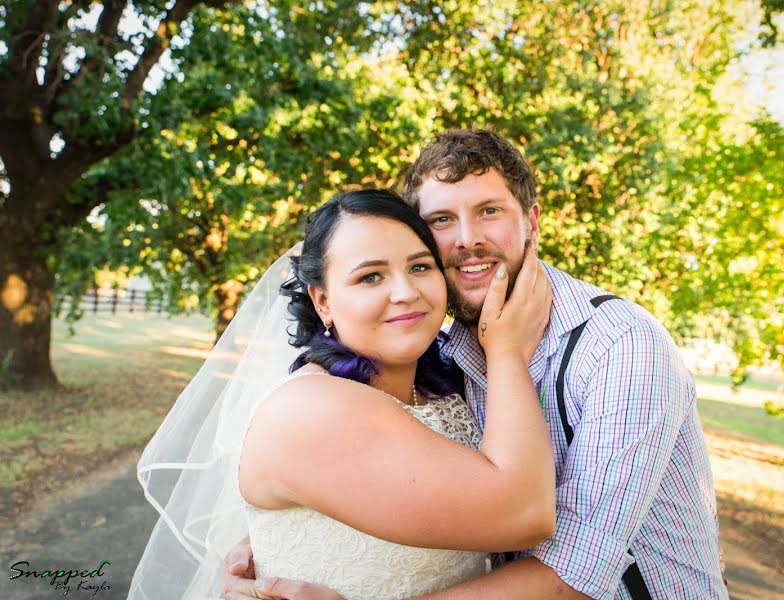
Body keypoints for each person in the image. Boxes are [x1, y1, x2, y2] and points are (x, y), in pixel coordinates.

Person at [223, 129, 729, 599]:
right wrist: (284, 540)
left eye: (489, 211)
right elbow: (379, 474)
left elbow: (574, 572)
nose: (466, 239)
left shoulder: (620, 346)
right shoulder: (443, 353)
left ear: (531, 221)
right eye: (442, 220)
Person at [128, 189, 555, 600]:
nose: (406, 292)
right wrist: (506, 351)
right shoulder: (311, 409)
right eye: (371, 276)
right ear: (323, 301)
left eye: (421, 267)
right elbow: (525, 513)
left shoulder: (439, 385)